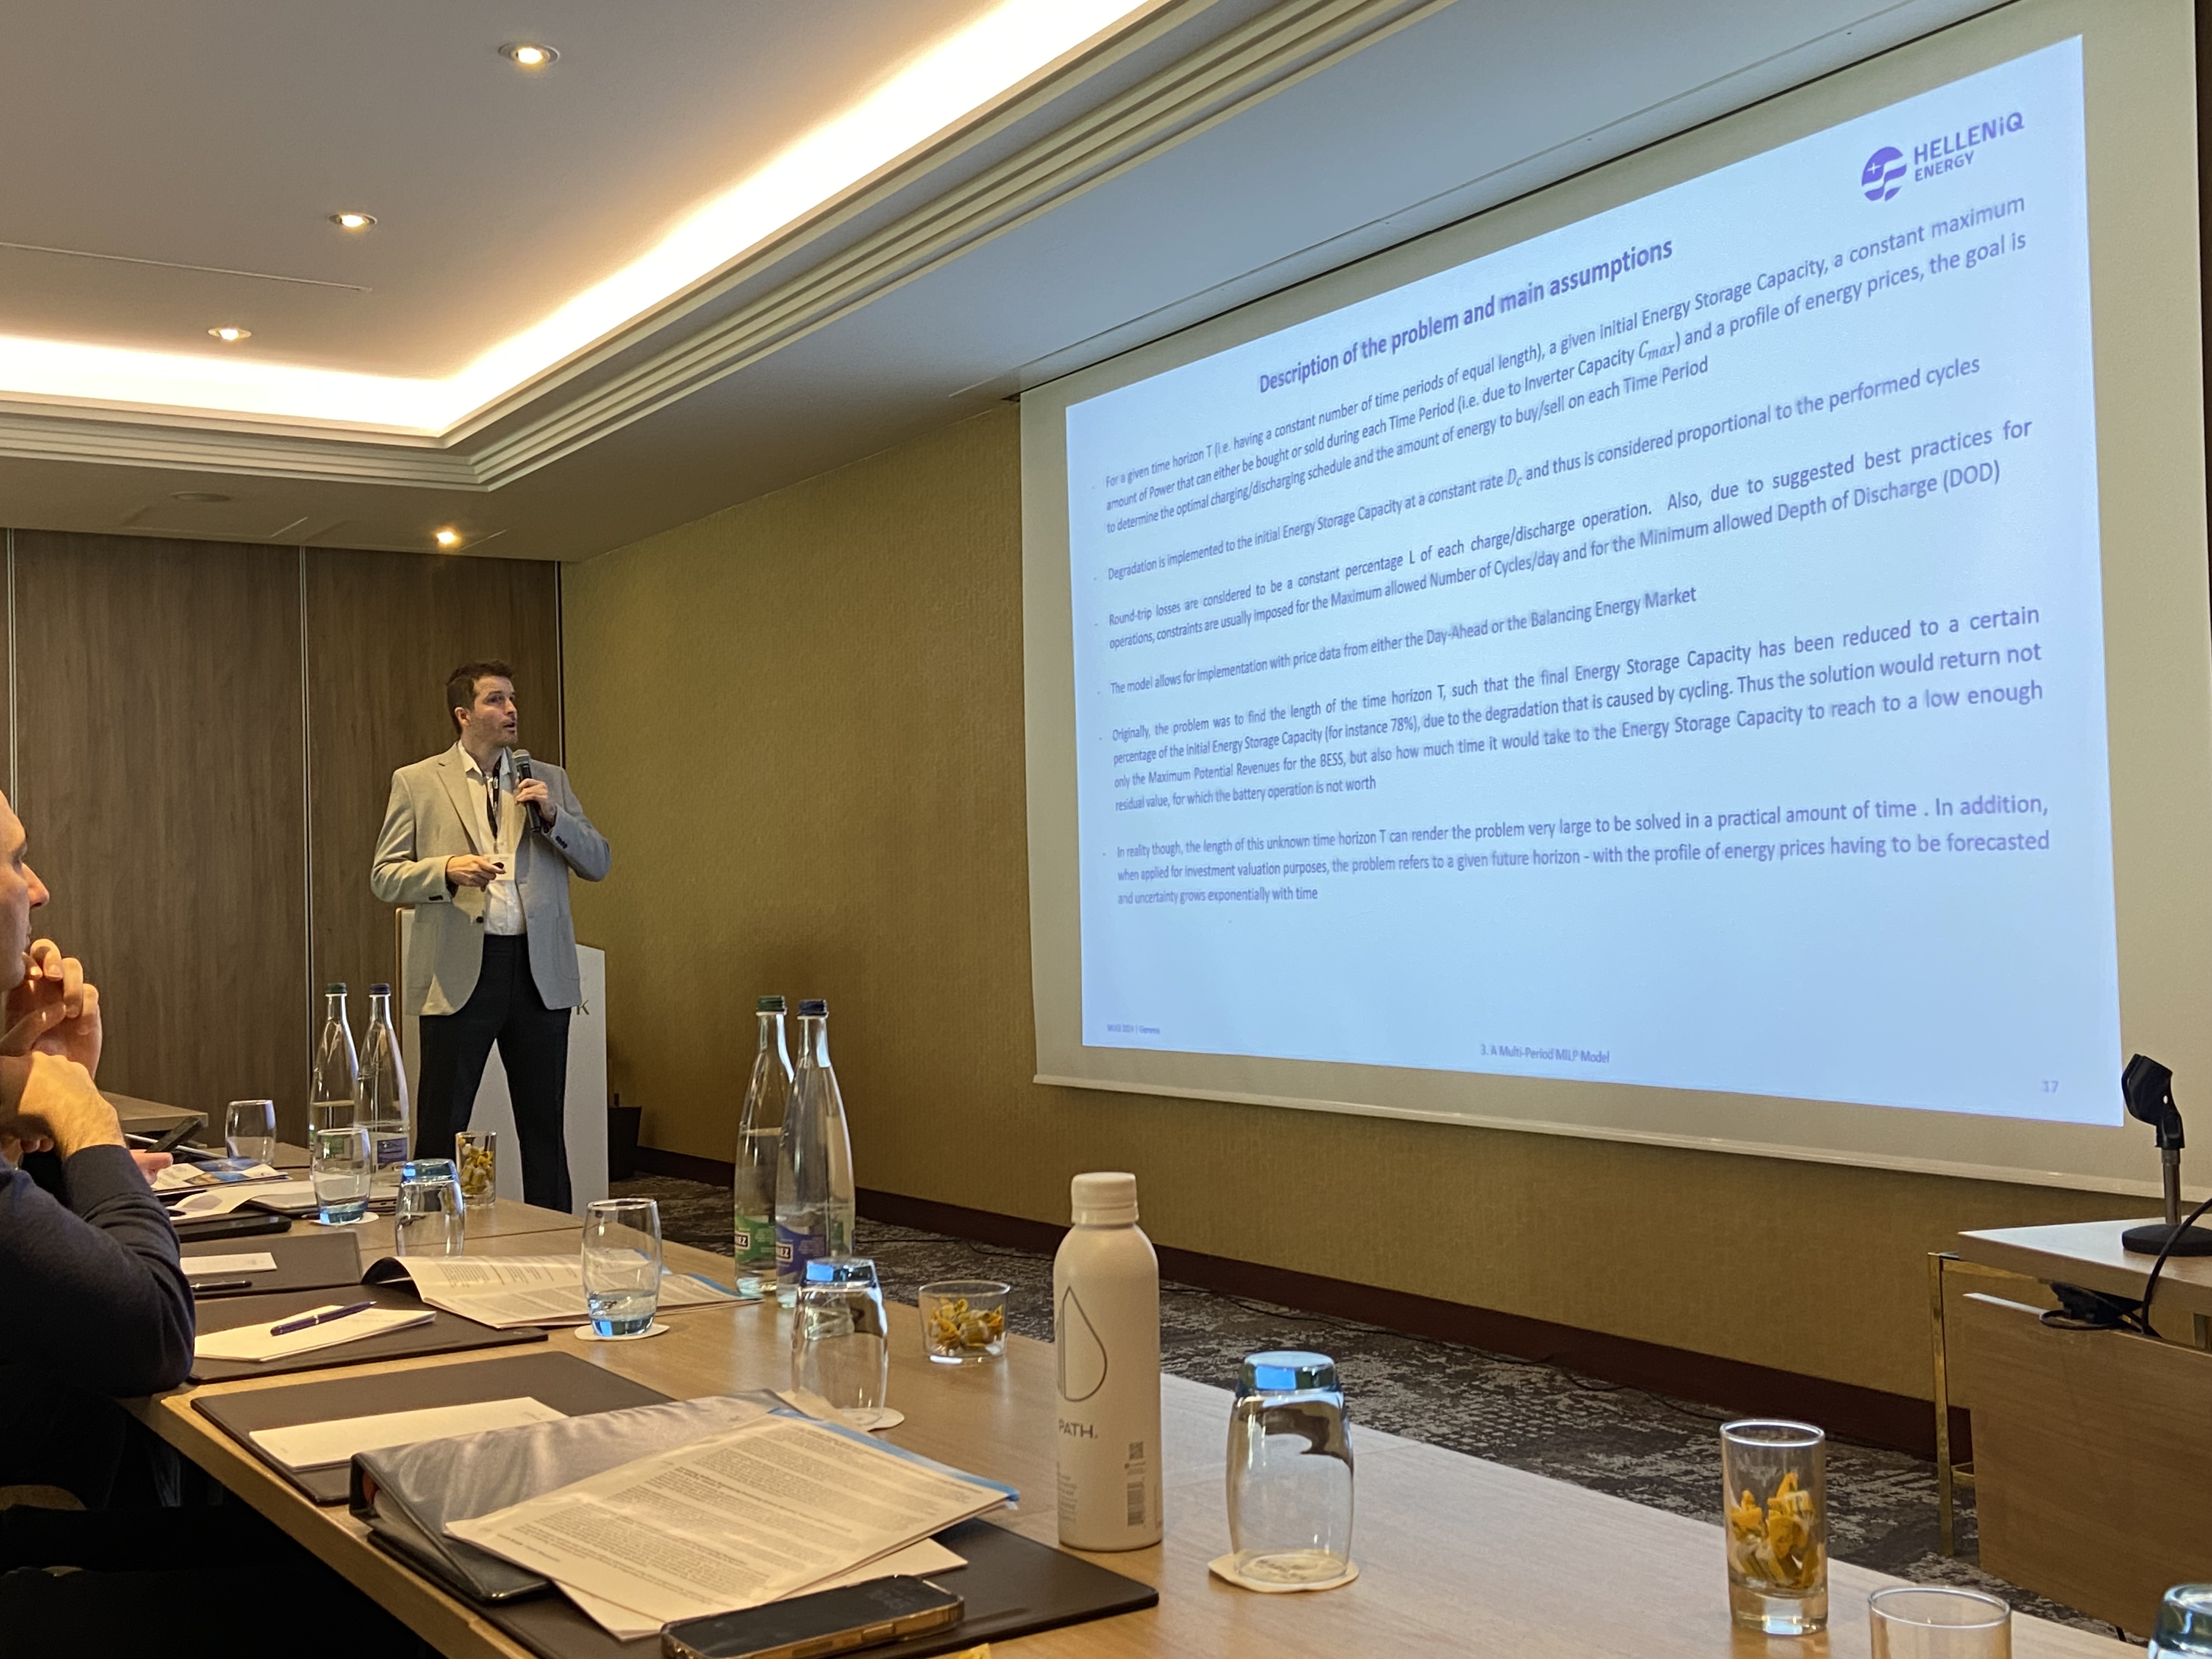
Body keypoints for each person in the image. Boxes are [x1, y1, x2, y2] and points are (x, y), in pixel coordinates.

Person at [371, 661, 609, 1208]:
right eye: (496, 700)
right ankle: (428, 1230)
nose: (511, 709)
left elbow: (598, 862)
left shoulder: (547, 779)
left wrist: (553, 815)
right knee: (441, 1123)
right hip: (460, 972)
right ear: (464, 714)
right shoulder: (417, 781)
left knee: (545, 1128)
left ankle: (554, 1239)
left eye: (512, 698)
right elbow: (384, 876)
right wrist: (446, 870)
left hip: (537, 973)